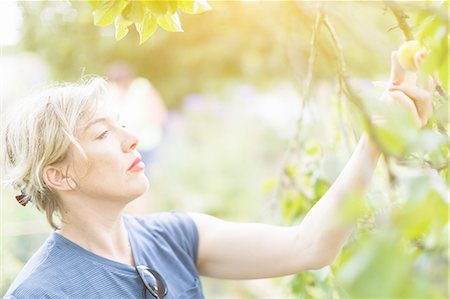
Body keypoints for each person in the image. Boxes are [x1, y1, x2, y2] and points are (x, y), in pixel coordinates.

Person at [2, 52, 433, 299]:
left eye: (121, 124)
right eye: (102, 134)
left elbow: (310, 245)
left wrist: (375, 138)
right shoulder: (42, 292)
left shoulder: (175, 236)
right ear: (58, 176)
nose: (131, 139)